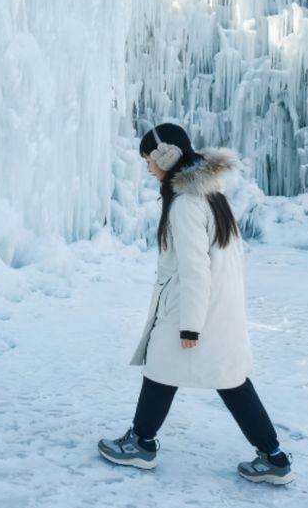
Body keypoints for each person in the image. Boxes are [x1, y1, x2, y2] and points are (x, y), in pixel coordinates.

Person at [98, 123, 293, 485]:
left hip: (192, 309)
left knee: (162, 367)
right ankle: (274, 455)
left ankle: (141, 443)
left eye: (150, 160)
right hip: (218, 309)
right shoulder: (211, 197)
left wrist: (190, 325)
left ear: (166, 156)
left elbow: (195, 268)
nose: (148, 168)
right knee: (228, 379)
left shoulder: (186, 205)